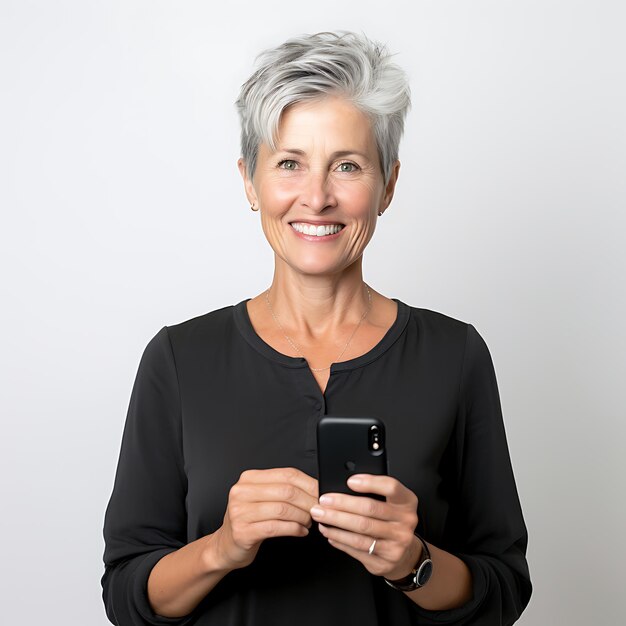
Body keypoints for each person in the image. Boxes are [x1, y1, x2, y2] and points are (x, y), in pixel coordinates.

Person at [102, 31, 531, 626]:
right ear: (250, 181)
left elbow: (503, 589)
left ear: (389, 185)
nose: (317, 197)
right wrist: (222, 548)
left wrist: (412, 560)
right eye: (289, 164)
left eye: (348, 166)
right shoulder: (179, 358)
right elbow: (127, 596)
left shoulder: (454, 355)